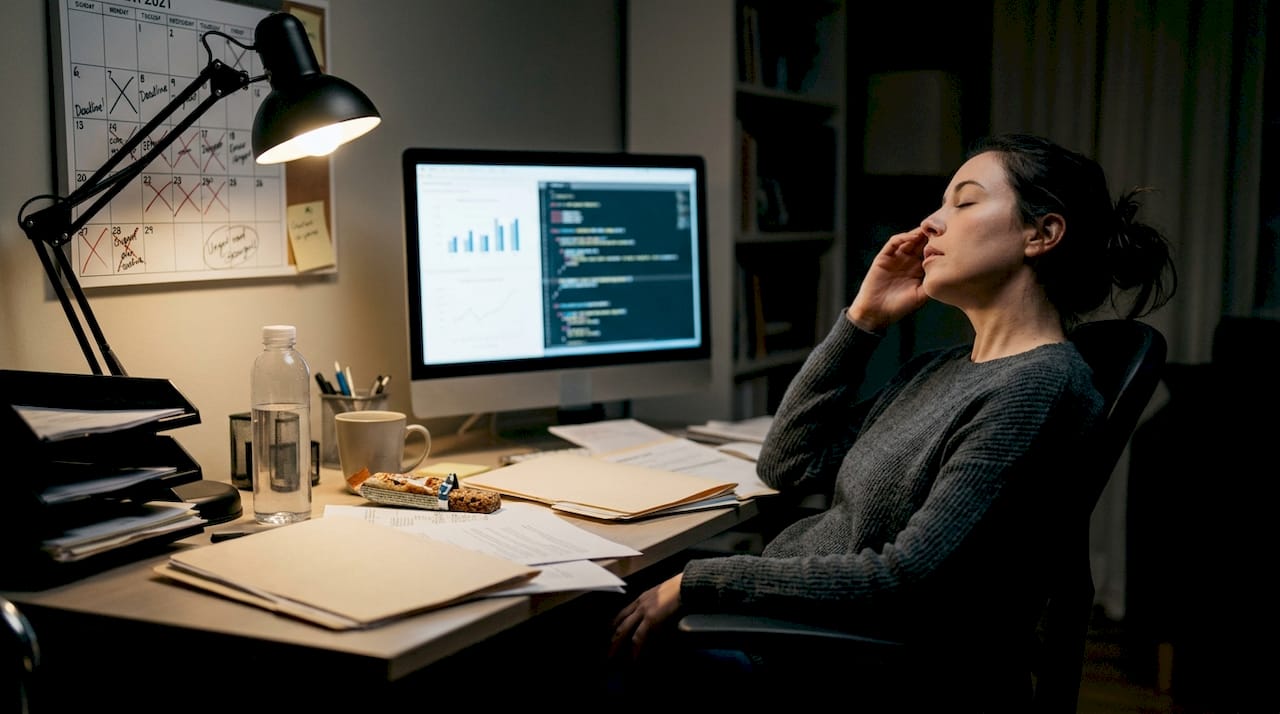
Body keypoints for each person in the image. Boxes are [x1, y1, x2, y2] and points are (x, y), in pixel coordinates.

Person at [607, 133, 1177, 708]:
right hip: (790, 632)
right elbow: (790, 462)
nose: (931, 222)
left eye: (965, 201)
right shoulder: (940, 369)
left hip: (830, 663)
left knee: (551, 646)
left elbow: (907, 579)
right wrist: (862, 319)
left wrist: (699, 581)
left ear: (1041, 234)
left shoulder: (1036, 387)